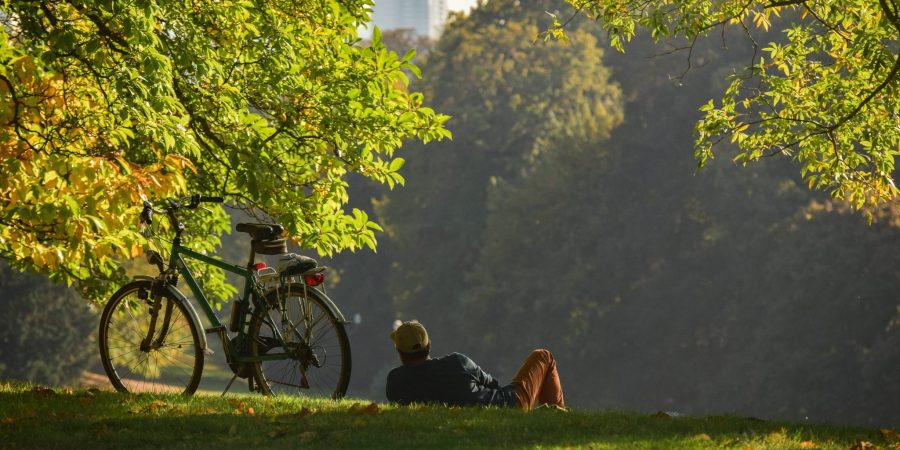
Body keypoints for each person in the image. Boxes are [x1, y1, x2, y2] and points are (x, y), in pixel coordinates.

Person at [385, 320, 565, 411]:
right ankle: (559, 419)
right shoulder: (457, 362)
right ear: (429, 345)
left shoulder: (395, 381)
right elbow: (493, 385)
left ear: (400, 353)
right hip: (507, 404)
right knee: (543, 356)